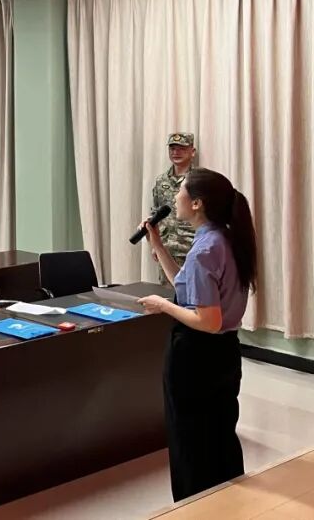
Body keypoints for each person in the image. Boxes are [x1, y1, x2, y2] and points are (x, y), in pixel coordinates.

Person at [138, 168, 257, 502]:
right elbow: (186, 287)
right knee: (219, 434)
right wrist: (158, 245)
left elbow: (208, 320)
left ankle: (195, 506)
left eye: (181, 192)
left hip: (196, 356)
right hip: (225, 353)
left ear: (197, 203)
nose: (176, 197)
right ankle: (228, 505)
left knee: (189, 439)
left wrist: (163, 305)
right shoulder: (225, 239)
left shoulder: (205, 250)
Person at [151, 132, 199, 283]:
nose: (176, 152)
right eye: (172, 149)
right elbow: (155, 213)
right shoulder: (161, 180)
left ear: (192, 151)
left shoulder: (199, 180)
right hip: (167, 250)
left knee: (192, 292)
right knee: (167, 294)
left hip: (191, 249)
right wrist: (155, 245)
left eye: (181, 149)